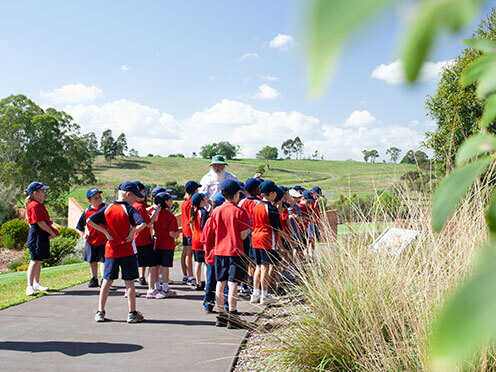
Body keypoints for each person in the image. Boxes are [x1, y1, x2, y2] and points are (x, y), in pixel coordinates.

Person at [87, 180, 147, 323]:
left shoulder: (107, 208)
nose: (135, 200)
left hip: (111, 251)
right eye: (134, 197)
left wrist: (105, 232)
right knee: (129, 282)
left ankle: (100, 311)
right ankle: (132, 313)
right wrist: (133, 232)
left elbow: (89, 220)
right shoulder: (130, 209)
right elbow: (143, 224)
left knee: (107, 281)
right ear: (128, 195)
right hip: (127, 250)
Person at [206, 180, 251, 329]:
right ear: (236, 194)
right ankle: (233, 313)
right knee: (233, 283)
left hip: (220, 250)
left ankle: (221, 314)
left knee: (220, 282)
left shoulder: (216, 211)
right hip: (235, 250)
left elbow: (213, 228)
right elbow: (243, 235)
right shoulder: (240, 212)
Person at [24, 182, 59, 296]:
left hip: (40, 234)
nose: (44, 193)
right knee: (34, 261)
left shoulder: (38, 204)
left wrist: (49, 233)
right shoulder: (34, 205)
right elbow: (40, 223)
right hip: (37, 235)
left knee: (39, 261)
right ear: (35, 193)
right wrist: (51, 232)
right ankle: (29, 286)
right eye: (42, 191)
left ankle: (36, 283)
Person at [250, 180, 282, 305]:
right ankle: (264, 294)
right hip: (267, 239)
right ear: (272, 193)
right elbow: (277, 227)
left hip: (255, 238)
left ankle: (255, 293)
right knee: (265, 267)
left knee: (258, 267)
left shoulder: (256, 206)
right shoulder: (271, 208)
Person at [132, 181, 163, 299]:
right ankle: (151, 289)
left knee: (134, 264)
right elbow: (148, 223)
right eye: (143, 192)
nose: (145, 194)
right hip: (143, 239)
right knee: (153, 264)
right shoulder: (140, 207)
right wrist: (156, 212)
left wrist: (150, 209)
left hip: (135, 240)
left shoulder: (134, 206)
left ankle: (129, 290)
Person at [76, 188, 107, 288]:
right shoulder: (87, 212)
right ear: (90, 201)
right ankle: (94, 278)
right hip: (91, 241)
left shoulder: (106, 209)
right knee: (92, 260)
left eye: (99, 197)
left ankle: (103, 278)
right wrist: (83, 234)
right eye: (95, 198)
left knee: (103, 260)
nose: (98, 199)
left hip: (104, 240)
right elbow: (79, 226)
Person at [201, 192, 226, 313]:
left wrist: (206, 255)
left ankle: (208, 302)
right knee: (224, 281)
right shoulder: (224, 222)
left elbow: (204, 241)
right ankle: (226, 303)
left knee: (211, 281)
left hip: (211, 256)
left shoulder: (209, 221)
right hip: (222, 254)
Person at [153, 192, 180, 297]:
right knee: (165, 267)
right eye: (170, 200)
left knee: (156, 266)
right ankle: (164, 288)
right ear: (166, 202)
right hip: (167, 244)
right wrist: (177, 234)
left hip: (157, 243)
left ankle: (157, 287)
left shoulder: (156, 214)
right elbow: (171, 233)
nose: (172, 202)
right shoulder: (170, 216)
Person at [181, 180, 201, 285]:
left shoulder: (185, 201)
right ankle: (190, 275)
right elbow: (192, 218)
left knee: (185, 252)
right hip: (190, 230)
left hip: (185, 229)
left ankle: (185, 274)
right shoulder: (191, 203)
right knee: (189, 253)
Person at [190, 192, 209, 290]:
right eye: (205, 198)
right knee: (206, 263)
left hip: (195, 238)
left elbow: (192, 226)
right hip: (202, 240)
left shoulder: (194, 211)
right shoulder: (204, 212)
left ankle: (198, 282)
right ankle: (206, 283)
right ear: (201, 201)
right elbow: (203, 226)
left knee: (198, 262)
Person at [300, 190, 316, 258]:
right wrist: (308, 218)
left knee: (305, 245)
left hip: (305, 229)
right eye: (308, 201)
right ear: (303, 199)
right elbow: (300, 218)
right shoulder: (300, 207)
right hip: (300, 228)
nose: (309, 203)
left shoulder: (307, 207)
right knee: (301, 247)